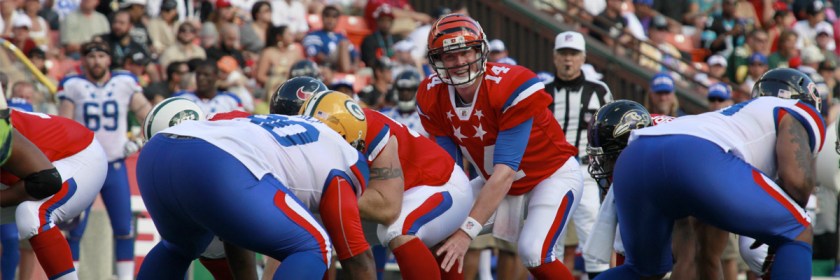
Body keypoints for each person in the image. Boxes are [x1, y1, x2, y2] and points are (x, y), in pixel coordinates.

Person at [597, 68, 825, 279]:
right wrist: (783, 229)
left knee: (644, 269)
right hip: (698, 156)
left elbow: (708, 254)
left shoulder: (731, 120)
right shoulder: (797, 111)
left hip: (635, 155)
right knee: (798, 229)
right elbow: (796, 182)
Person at [416, 14, 582, 279]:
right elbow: (449, 172)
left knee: (534, 252)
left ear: (480, 50)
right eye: (449, 56)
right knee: (436, 228)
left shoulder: (510, 85)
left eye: (465, 52)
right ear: (437, 61)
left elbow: (505, 171)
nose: (459, 62)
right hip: (497, 181)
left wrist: (466, 232)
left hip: (549, 177)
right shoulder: (431, 94)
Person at [135, 97, 367, 279]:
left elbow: (235, 232)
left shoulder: (279, 124)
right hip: (216, 163)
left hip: (155, 152)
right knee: (314, 246)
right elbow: (356, 255)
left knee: (178, 247)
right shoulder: (346, 156)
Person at [293, 90, 474, 279]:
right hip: (397, 194)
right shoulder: (312, 135)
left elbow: (388, 208)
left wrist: (327, 196)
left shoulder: (372, 131)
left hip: (439, 184)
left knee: (398, 228)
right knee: (312, 232)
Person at [57, 41, 152, 280]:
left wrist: (139, 141)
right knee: (74, 230)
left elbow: (150, 118)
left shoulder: (125, 82)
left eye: (101, 55)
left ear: (109, 59)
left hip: (114, 164)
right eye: (92, 56)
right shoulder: (73, 85)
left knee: (123, 228)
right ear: (83, 60)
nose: (96, 61)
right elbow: (63, 126)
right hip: (83, 166)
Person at [0, 108, 108, 280]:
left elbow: (46, 180)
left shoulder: (2, 132)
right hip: (39, 170)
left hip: (77, 156)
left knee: (32, 213)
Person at [543, 30, 613, 277]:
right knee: (551, 239)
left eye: (573, 54)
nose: (568, 60)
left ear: (583, 58)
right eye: (563, 54)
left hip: (588, 170)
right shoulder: (542, 91)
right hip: (552, 172)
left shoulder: (599, 90)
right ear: (554, 57)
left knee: (594, 235)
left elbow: (610, 131)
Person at [173, 60, 244, 114]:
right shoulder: (181, 98)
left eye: (206, 75)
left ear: (216, 77)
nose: (201, 78)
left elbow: (240, 124)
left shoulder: (231, 100)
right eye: (198, 74)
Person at [381, 69, 427, 137]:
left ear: (416, 91)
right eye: (402, 90)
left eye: (409, 90)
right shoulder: (385, 115)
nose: (405, 93)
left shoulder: (425, 120)